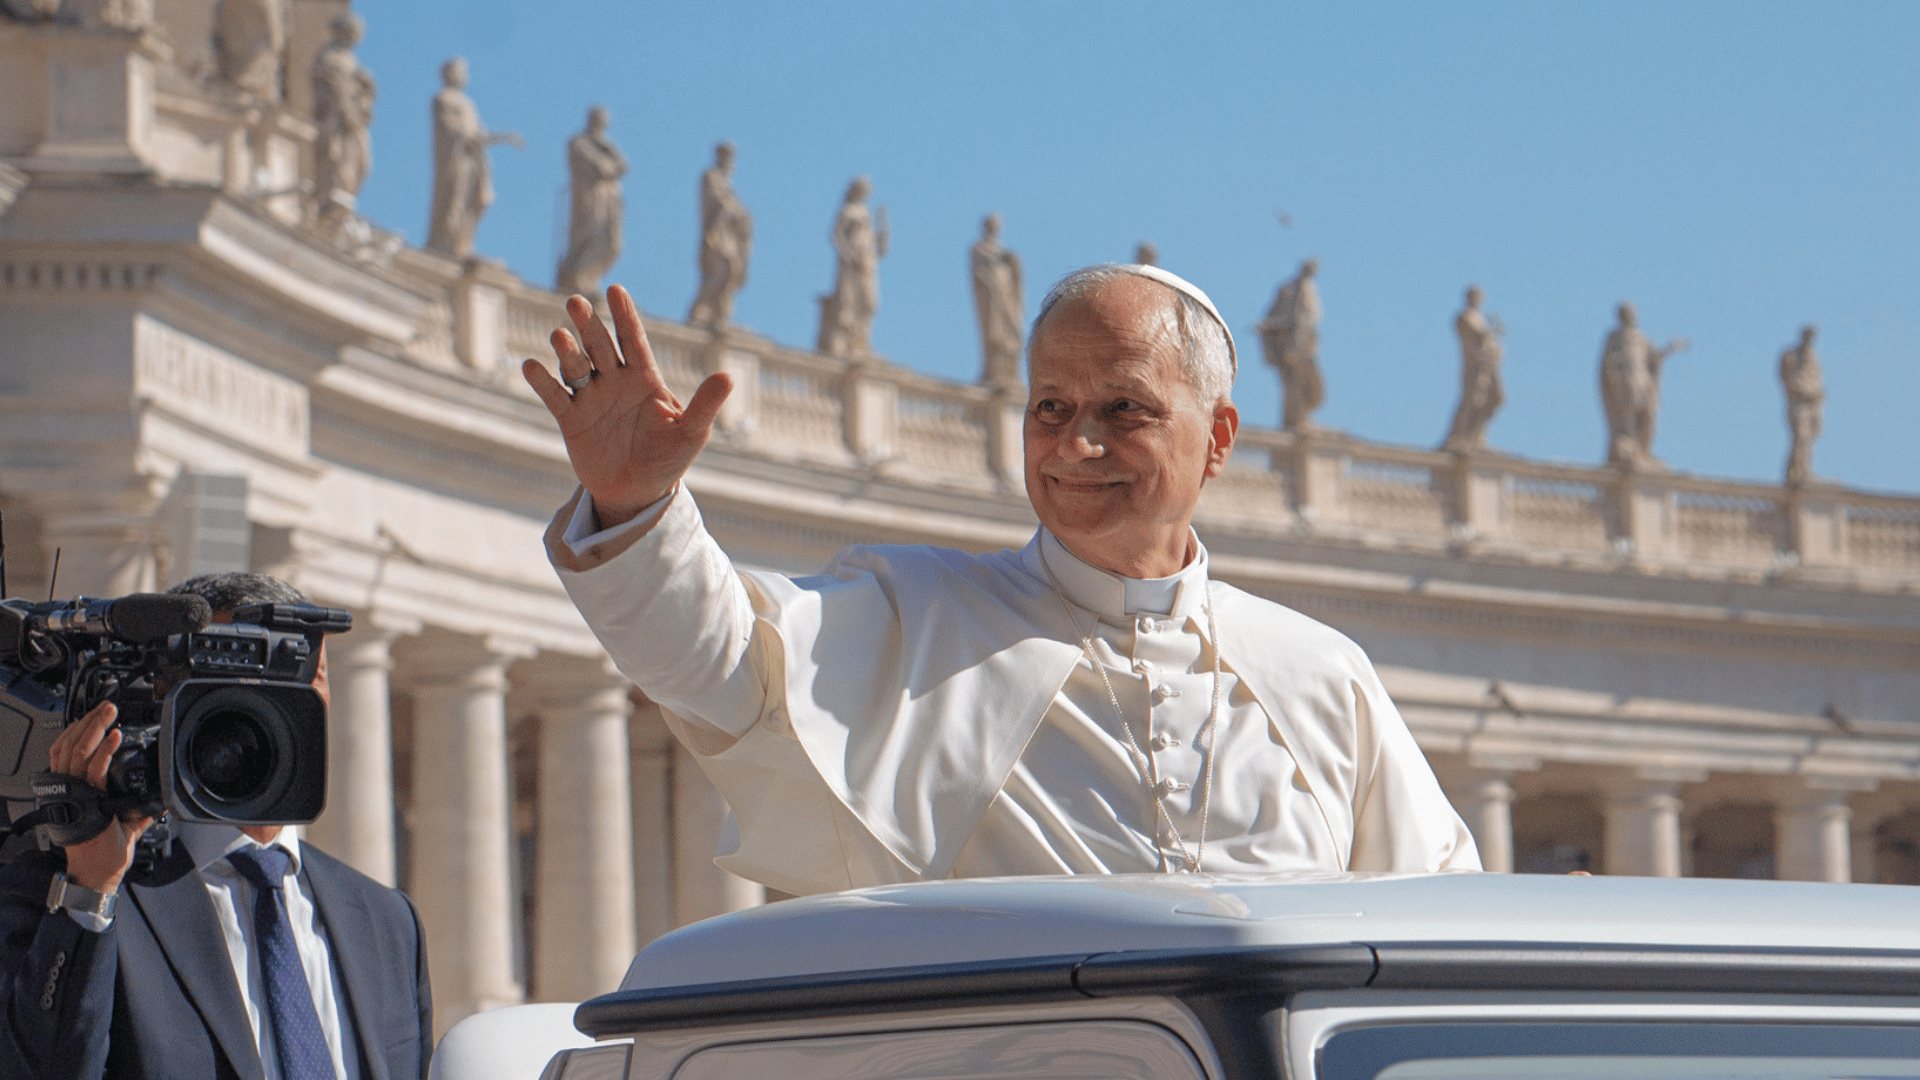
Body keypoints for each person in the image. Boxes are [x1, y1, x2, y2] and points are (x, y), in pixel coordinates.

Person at [525, 267, 1477, 898]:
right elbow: (712, 662)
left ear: (1218, 438)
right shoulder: (919, 614)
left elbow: (1440, 923)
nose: (1076, 445)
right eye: (1051, 408)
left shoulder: (1321, 673)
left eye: (1124, 410)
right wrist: (640, 505)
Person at [0, 574, 431, 1080]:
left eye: (293, 675)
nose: (260, 702)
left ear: (323, 686)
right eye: (227, 673)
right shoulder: (70, 890)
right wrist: (91, 888)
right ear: (165, 693)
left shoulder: (387, 923)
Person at [426, 57, 523, 258]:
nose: (464, 76)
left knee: (477, 200)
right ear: (449, 74)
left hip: (474, 161)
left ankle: (463, 244)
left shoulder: (468, 104)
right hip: (456, 160)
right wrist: (476, 138)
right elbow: (453, 131)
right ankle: (445, 245)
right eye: (461, 71)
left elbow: (478, 132)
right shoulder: (443, 99)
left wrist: (504, 137)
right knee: (453, 201)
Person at [1598, 301, 1687, 468]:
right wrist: (1613, 378)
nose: (1632, 315)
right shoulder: (1614, 337)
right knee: (1627, 419)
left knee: (1647, 417)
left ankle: (1643, 453)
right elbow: (1607, 364)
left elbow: (1654, 358)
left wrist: (1671, 347)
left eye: (1633, 312)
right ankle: (1632, 453)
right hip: (1625, 384)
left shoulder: (1641, 338)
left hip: (1643, 382)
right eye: (1628, 312)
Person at [555, 105, 628, 297]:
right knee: (589, 238)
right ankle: (577, 278)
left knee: (613, 245)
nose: (602, 125)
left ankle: (588, 278)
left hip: (609, 202)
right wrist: (606, 160)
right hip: (589, 202)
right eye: (599, 120)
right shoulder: (578, 143)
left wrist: (606, 145)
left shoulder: (603, 145)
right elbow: (602, 167)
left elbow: (623, 165)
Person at [815, 177, 888, 358]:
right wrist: (847, 254)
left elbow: (881, 248)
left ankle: (862, 343)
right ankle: (848, 344)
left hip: (867, 263)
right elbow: (836, 235)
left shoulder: (868, 216)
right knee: (849, 302)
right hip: (851, 264)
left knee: (869, 303)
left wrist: (884, 225)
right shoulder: (848, 211)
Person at [687, 141, 753, 329]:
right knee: (720, 272)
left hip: (730, 237)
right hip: (718, 235)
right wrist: (738, 212)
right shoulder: (711, 177)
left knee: (731, 273)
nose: (730, 161)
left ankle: (721, 314)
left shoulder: (726, 183)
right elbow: (719, 204)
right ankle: (701, 311)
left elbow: (731, 205)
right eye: (727, 156)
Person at [1259, 258, 1324, 431]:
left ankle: (1303, 419)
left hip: (1306, 346)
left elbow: (1312, 320)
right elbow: (1271, 315)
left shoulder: (1311, 290)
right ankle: (1294, 421)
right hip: (1289, 346)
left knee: (1309, 384)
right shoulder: (1287, 289)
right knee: (1292, 384)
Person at [1441, 285, 1505, 451]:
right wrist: (1492, 332)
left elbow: (1486, 337)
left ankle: (1477, 436)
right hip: (1475, 366)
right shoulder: (1464, 316)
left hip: (1489, 365)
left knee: (1495, 399)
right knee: (1474, 399)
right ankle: (1460, 437)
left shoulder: (1479, 317)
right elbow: (1479, 334)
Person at [971, 213, 1024, 389]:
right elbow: (979, 273)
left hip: (1006, 294)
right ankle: (995, 371)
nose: (995, 227)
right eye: (992, 224)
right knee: (996, 332)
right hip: (992, 295)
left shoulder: (1004, 252)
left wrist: (1012, 263)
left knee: (1011, 331)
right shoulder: (978, 248)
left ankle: (1009, 373)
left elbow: (1016, 276)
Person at [1779, 325, 1824, 486]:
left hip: (1814, 403)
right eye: (1808, 336)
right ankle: (1796, 472)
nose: (1810, 340)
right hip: (1799, 402)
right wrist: (1802, 390)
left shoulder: (1814, 357)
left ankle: (1804, 471)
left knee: (1810, 438)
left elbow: (1816, 379)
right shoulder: (1791, 356)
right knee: (1801, 436)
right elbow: (1786, 378)